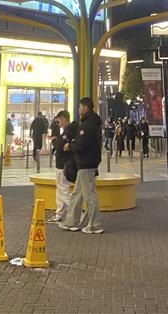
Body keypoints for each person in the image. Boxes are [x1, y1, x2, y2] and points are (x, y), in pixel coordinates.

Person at [59, 97, 104, 234]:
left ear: (85, 107)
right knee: (77, 194)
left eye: (79, 107)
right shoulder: (91, 123)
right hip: (85, 163)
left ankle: (95, 225)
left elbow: (81, 144)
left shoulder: (88, 125)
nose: (78, 109)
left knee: (89, 195)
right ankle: (71, 221)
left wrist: (70, 145)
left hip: (86, 163)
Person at [50, 110, 76, 223]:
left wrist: (55, 142)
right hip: (63, 165)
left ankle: (77, 211)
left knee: (63, 192)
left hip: (63, 166)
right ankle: (59, 215)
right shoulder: (70, 131)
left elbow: (60, 147)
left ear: (64, 119)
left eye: (59, 120)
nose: (58, 123)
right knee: (60, 191)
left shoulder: (68, 132)